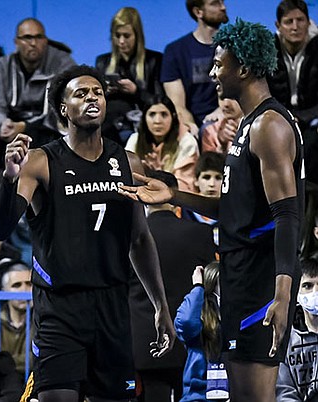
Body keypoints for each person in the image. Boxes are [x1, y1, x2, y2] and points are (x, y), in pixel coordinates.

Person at [119, 20, 304, 402]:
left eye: (219, 64)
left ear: (245, 69)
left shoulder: (270, 125)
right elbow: (233, 208)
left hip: (261, 279)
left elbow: (287, 215)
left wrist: (283, 294)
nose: (213, 73)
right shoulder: (248, 124)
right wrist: (173, 195)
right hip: (240, 274)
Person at [0, 64, 175, 401]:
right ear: (63, 108)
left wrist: (160, 306)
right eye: (81, 93)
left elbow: (139, 239)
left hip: (113, 307)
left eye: (98, 92)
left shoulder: (128, 163)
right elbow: (0, 228)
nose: (92, 97)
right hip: (60, 309)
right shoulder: (38, 161)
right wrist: (8, 178)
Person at [129, 171, 216, 402]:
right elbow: (210, 285)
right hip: (192, 340)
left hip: (146, 341)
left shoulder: (130, 237)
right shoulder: (200, 233)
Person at [0, 18, 76, 146]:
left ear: (45, 41)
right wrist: (3, 123)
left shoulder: (62, 63)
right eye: (27, 38)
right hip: (11, 127)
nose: (33, 43)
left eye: (39, 37)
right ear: (16, 42)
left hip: (48, 130)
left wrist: (26, 127)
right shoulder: (2, 65)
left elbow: (66, 106)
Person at [267, 0, 318, 185]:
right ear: (278, 25)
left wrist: (302, 117)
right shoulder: (267, 51)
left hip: (312, 118)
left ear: (309, 21)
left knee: (311, 142)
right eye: (289, 22)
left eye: (300, 20)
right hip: (278, 116)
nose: (295, 27)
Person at [95, 7, 164, 144]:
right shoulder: (103, 62)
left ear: (137, 35)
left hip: (140, 119)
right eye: (117, 35)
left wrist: (136, 91)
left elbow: (160, 102)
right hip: (109, 122)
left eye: (126, 36)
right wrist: (105, 92)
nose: (121, 41)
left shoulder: (154, 60)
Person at [161, 0, 229, 132]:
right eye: (215, 3)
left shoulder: (232, 47)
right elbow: (177, 104)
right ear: (198, 12)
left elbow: (240, 92)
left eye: (222, 2)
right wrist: (190, 125)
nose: (223, 7)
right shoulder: (175, 51)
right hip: (190, 121)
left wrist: (221, 110)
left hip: (224, 117)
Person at [125, 95, 199, 191]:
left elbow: (185, 187)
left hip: (175, 201)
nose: (157, 121)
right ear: (144, 118)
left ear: (173, 116)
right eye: (152, 114)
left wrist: (160, 175)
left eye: (164, 114)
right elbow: (126, 177)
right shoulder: (134, 140)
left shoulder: (187, 142)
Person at [174, 263, 222, 401]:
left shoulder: (237, 316)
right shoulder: (200, 320)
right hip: (199, 397)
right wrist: (197, 288)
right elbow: (186, 322)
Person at [277, 258, 318, 400]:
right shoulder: (285, 337)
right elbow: (283, 390)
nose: (315, 292)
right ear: (296, 293)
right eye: (307, 285)